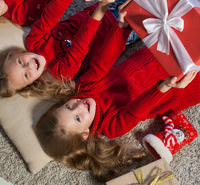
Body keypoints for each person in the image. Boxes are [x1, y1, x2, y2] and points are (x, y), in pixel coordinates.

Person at [0, 0, 200, 98]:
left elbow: (51, 14)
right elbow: (80, 46)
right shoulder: (58, 74)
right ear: (32, 84)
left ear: (17, 52)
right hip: (121, 26)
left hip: (105, 5)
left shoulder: (34, 41)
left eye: (20, 62)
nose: (28, 65)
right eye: (27, 75)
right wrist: (103, 7)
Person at [35, 20, 200, 181]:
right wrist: (165, 86)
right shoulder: (111, 127)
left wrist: (121, 28)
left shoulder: (84, 89)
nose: (79, 105)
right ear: (85, 134)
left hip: (156, 56)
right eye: (78, 118)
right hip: (174, 87)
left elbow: (103, 61)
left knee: (189, 24)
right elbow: (138, 110)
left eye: (69, 107)